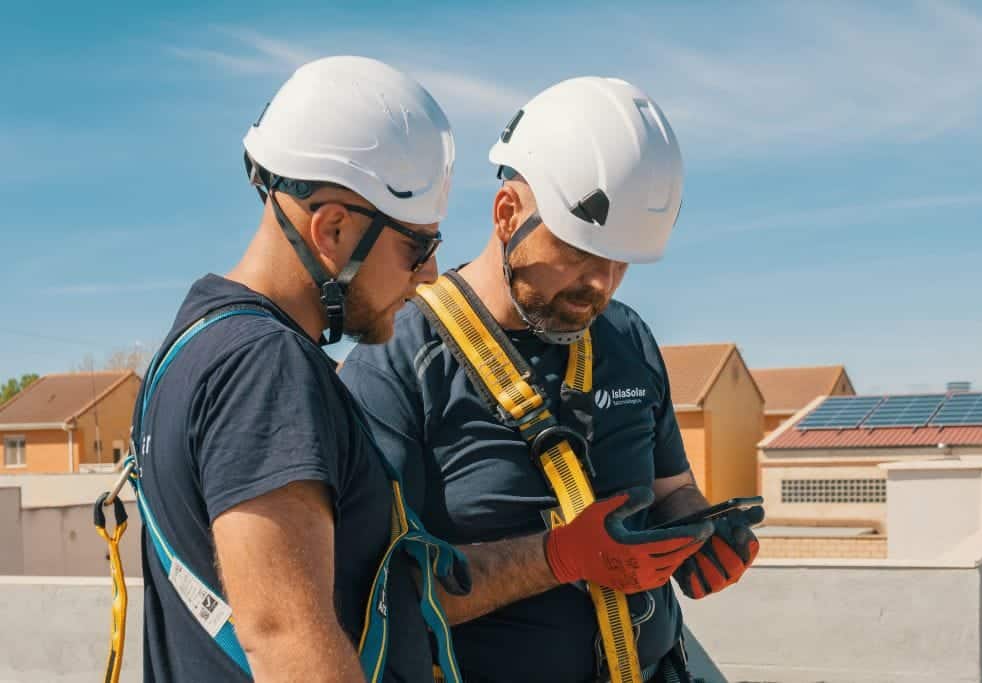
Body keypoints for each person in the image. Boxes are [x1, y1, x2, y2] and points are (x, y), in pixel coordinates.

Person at [341, 76, 764, 683]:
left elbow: (674, 491)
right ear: (508, 213)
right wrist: (559, 557)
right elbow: (375, 592)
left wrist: (700, 536)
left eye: (621, 262)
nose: (603, 284)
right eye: (581, 253)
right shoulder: (398, 359)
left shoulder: (627, 339)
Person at [132, 56, 468, 682]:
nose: (429, 277)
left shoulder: (194, 346)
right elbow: (286, 639)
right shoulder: (265, 368)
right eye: (417, 248)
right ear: (334, 229)